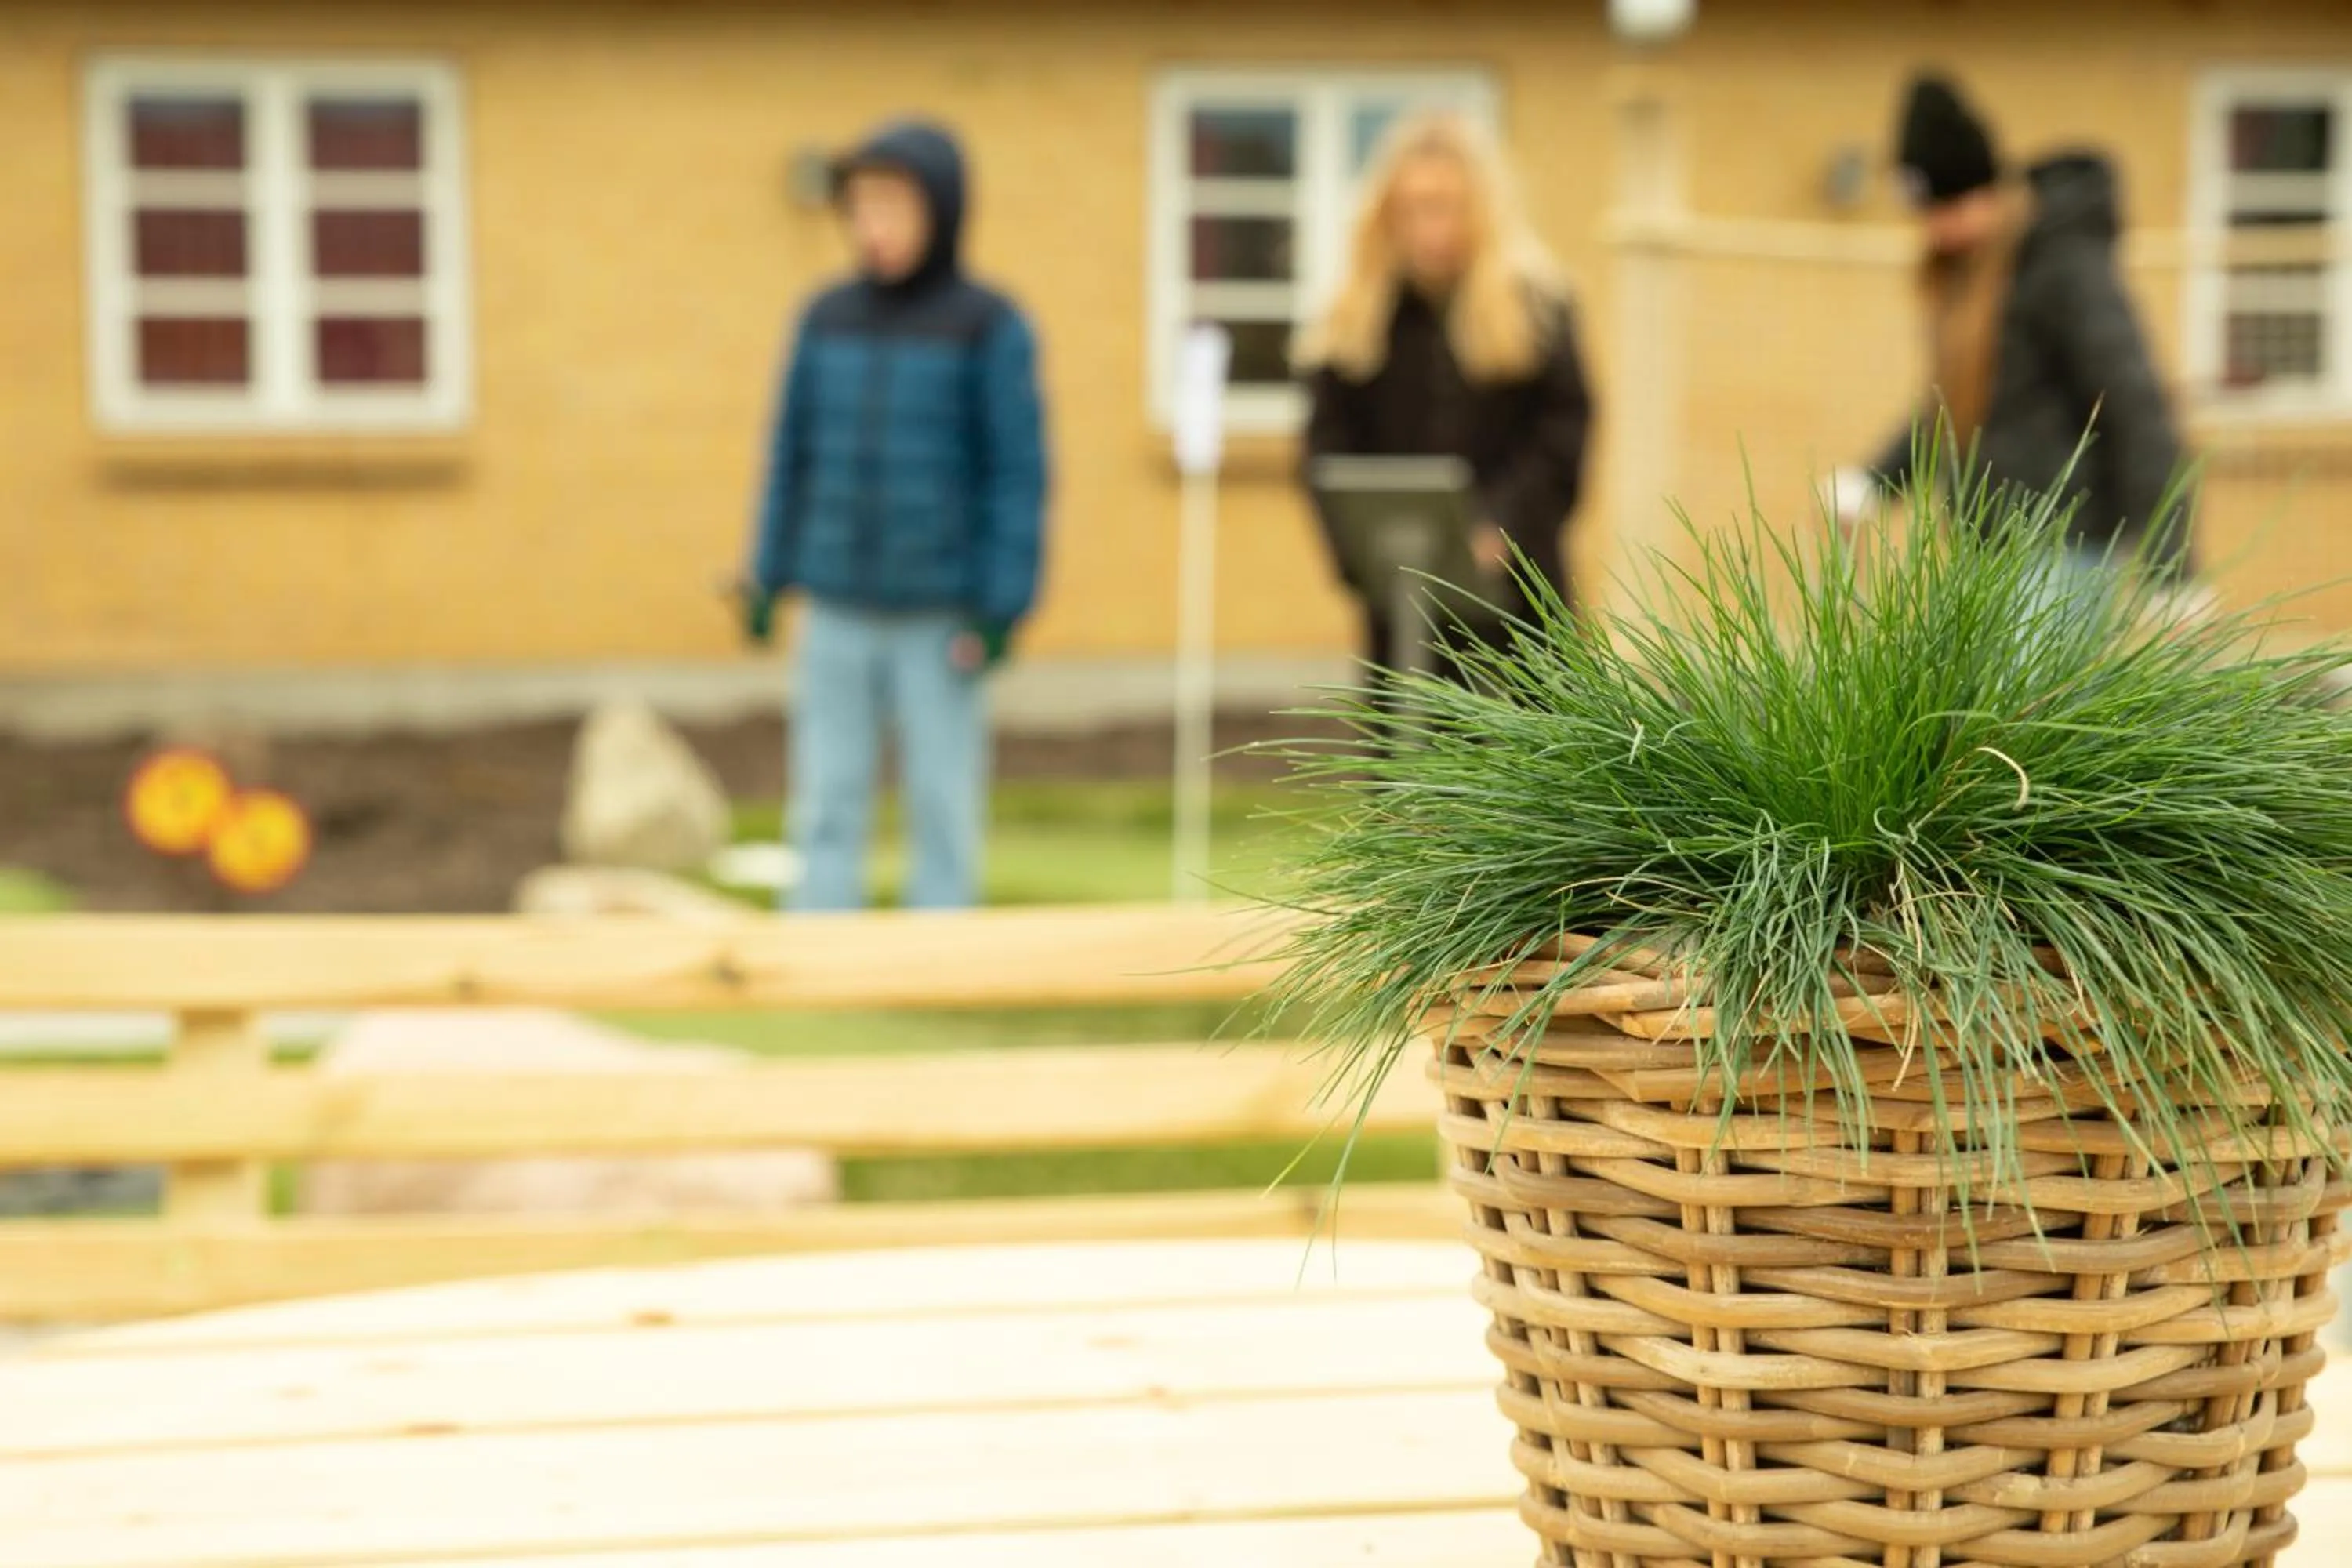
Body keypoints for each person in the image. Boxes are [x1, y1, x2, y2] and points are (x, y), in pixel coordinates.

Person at [739, 119, 1047, 912]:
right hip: (836, 605)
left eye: (893, 206)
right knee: (826, 799)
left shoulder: (988, 325)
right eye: (862, 206)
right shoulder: (824, 317)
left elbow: (1018, 473)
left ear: (940, 212)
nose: (874, 225)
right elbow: (790, 453)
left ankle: (940, 953)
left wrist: (1002, 606)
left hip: (940, 614)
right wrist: (769, 574)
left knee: (941, 803)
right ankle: (818, 955)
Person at [1854, 73, 2192, 580]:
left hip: (2062, 546)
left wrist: (2172, 566)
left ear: (1981, 192)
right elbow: (1953, 411)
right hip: (1987, 544)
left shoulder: (2064, 270)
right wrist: (1876, 481)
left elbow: (2135, 406)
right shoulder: (1972, 282)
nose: (1935, 231)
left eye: (1946, 209)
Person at [1298, 109, 1594, 681]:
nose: (1429, 228)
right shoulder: (1354, 324)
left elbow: (1563, 438)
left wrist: (1497, 528)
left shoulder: (1538, 310)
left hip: (1519, 604)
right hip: (1399, 597)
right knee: (1406, 755)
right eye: (1412, 208)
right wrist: (1367, 547)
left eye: (1446, 207)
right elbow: (1325, 453)